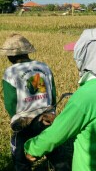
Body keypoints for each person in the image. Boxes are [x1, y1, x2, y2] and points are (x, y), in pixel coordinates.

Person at [24, 29, 96, 171]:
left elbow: (57, 133)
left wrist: (32, 149)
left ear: (88, 56)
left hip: (92, 166)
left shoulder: (86, 95)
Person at [1, 34, 71, 171]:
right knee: (57, 155)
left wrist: (15, 119)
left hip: (24, 121)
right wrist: (52, 113)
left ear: (9, 56)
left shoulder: (10, 72)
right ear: (27, 52)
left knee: (20, 158)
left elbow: (10, 103)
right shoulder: (43, 66)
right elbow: (53, 93)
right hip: (47, 118)